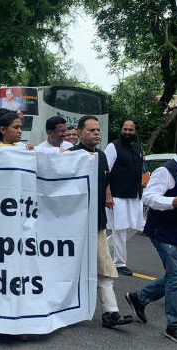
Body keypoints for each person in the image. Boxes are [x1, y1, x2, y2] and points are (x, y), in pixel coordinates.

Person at [125, 131, 177, 347]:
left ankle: (139, 298)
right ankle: (175, 325)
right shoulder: (166, 171)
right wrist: (173, 202)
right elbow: (149, 197)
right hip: (163, 231)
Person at [68, 116, 133, 328]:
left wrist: (108, 196)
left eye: (98, 130)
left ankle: (110, 312)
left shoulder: (102, 156)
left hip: (97, 222)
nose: (97, 133)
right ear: (79, 133)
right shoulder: (69, 156)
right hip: (73, 225)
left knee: (104, 268)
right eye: (91, 130)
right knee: (71, 270)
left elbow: (104, 182)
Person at [105, 119, 146, 276]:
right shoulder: (113, 147)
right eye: (125, 129)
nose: (127, 132)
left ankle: (100, 249)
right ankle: (119, 263)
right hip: (117, 195)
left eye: (130, 129)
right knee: (119, 229)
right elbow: (105, 172)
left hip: (135, 195)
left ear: (135, 131)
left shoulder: (137, 147)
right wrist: (107, 194)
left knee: (137, 226)